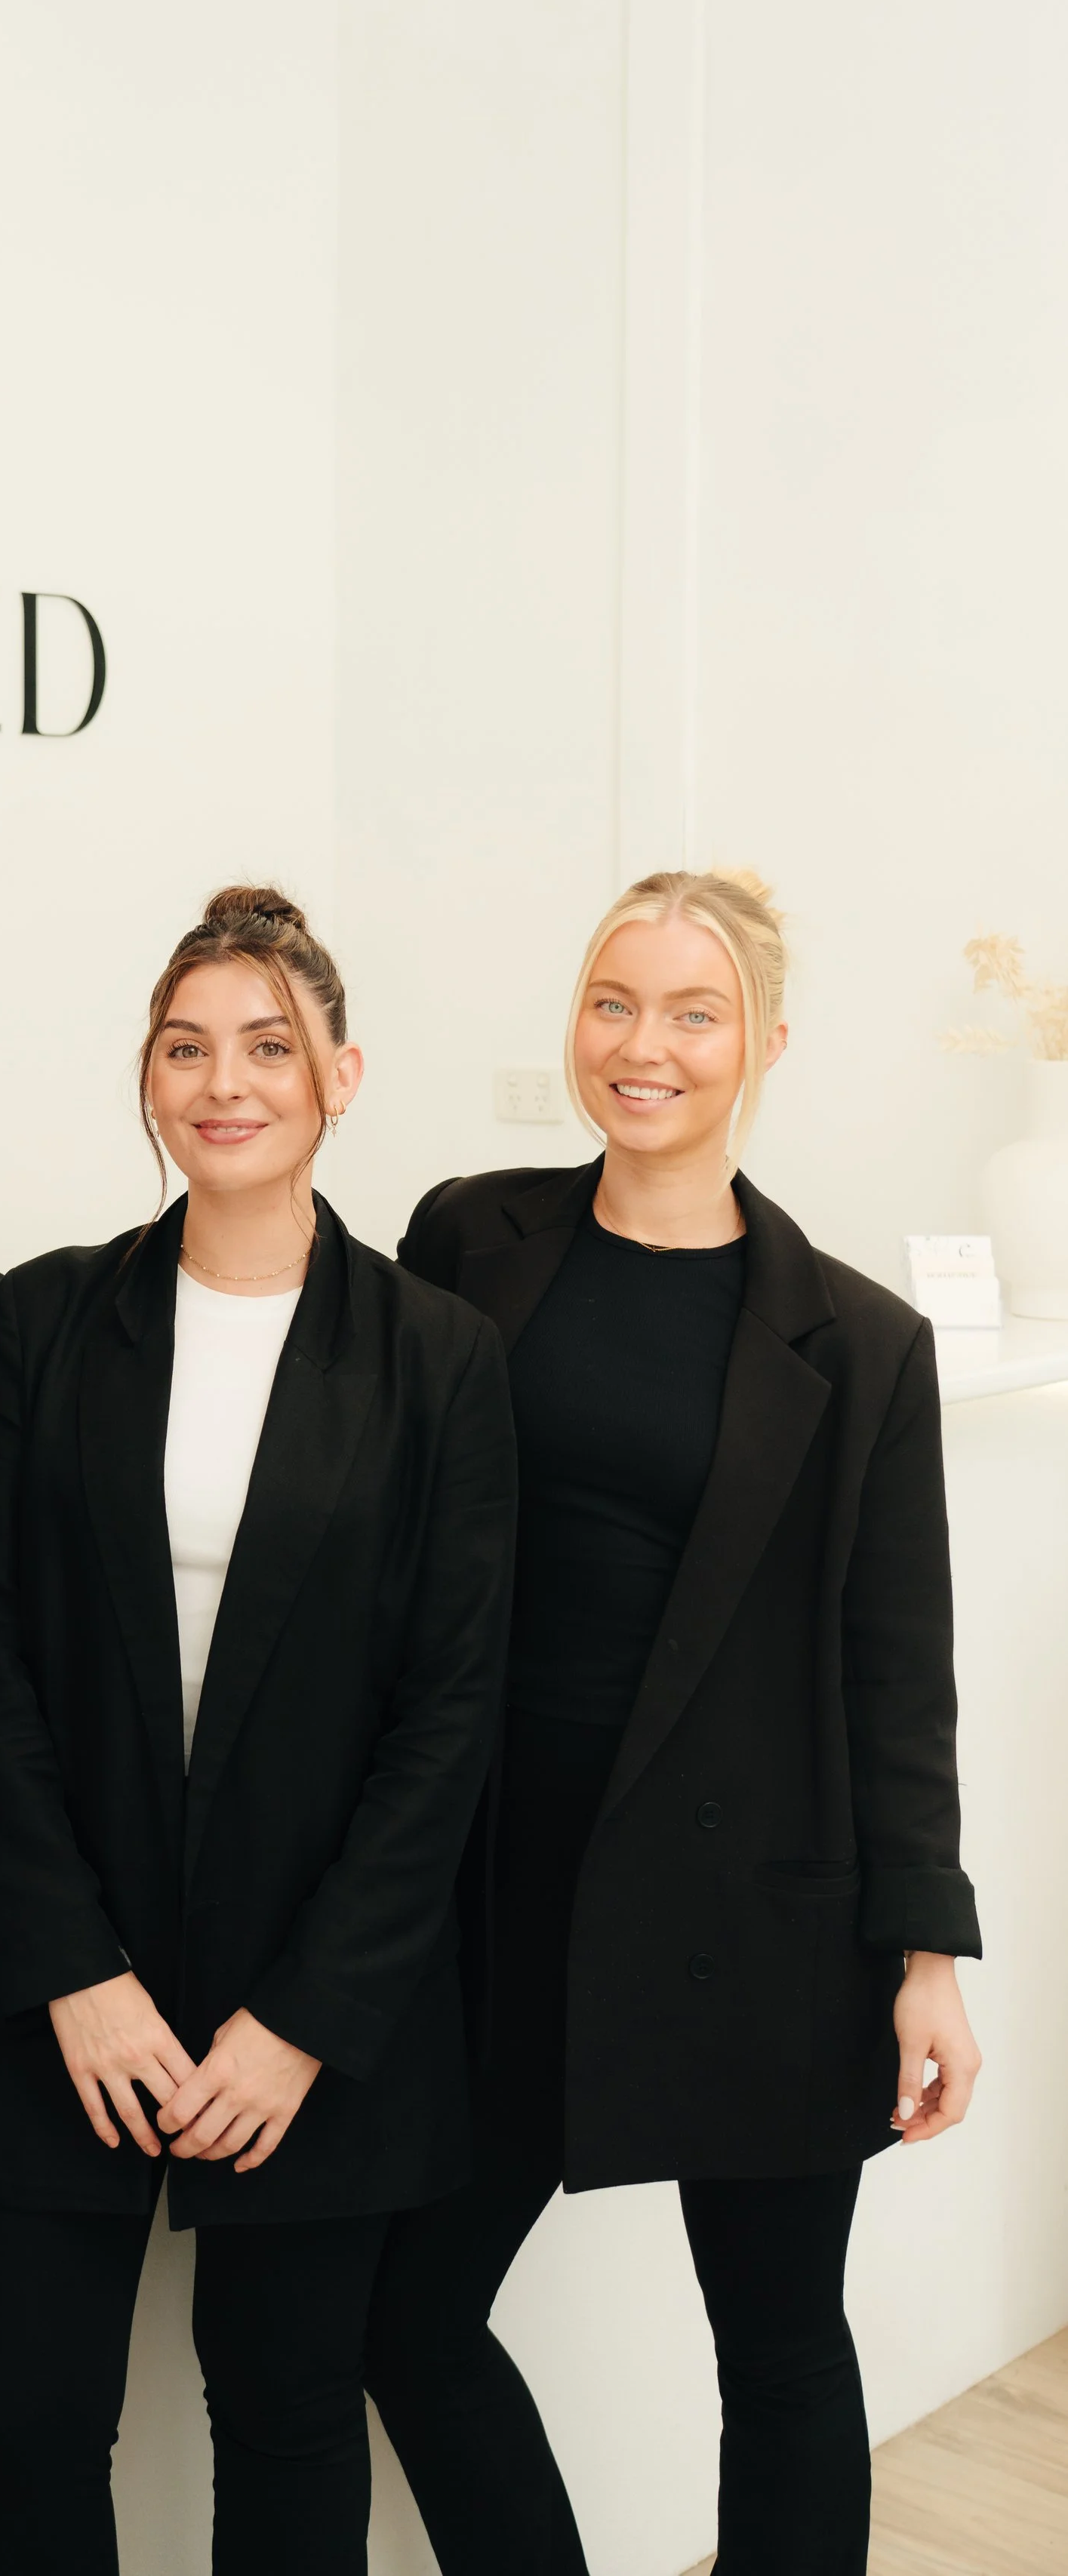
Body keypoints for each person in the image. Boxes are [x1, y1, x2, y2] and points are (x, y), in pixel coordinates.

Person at [364, 866, 983, 2576]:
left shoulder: (857, 1340)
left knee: (777, 2351)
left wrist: (921, 1951)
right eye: (612, 1004)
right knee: (401, 2318)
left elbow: (892, 1656)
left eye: (689, 1013)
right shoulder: (464, 1238)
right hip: (491, 1902)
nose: (643, 1047)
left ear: (762, 1043)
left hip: (752, 1912)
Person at [0, 885, 517, 2576]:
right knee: (29, 2423)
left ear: (340, 1072)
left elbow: (445, 1719)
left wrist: (302, 2020)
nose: (222, 1082)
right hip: (59, 1986)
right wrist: (71, 1969)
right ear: (145, 1075)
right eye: (183, 1047)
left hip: (313, 2009)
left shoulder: (437, 1360)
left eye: (265, 1046)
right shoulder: (44, 1323)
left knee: (283, 2415)